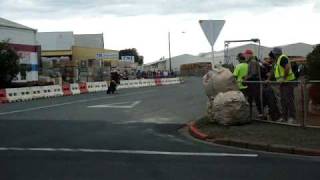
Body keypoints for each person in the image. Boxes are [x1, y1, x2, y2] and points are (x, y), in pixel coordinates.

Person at [269, 47, 296, 123]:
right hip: (283, 82)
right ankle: (285, 117)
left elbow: (287, 68)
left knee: (288, 99)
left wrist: (283, 78)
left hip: (287, 82)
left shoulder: (282, 58)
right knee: (283, 100)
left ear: (275, 53)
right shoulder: (279, 59)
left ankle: (291, 117)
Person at [243, 49, 263, 118]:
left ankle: (260, 113)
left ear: (249, 55)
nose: (245, 56)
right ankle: (251, 114)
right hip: (252, 83)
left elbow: (253, 73)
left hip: (254, 83)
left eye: (246, 55)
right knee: (251, 98)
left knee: (256, 98)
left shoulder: (253, 62)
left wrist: (246, 78)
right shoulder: (251, 62)